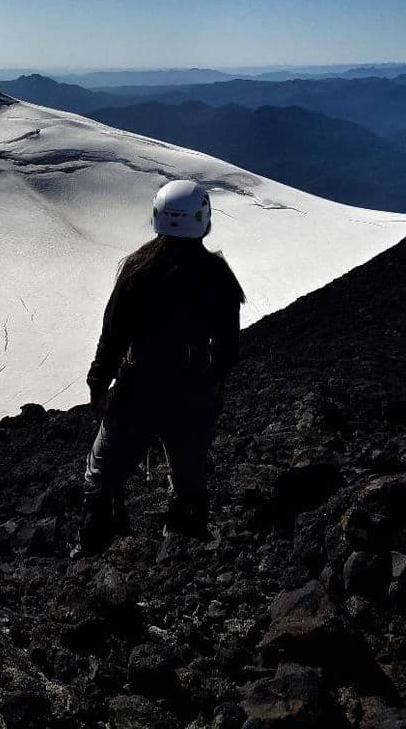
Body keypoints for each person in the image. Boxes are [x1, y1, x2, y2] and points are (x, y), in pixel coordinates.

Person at [76, 179, 244, 555]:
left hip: (138, 391)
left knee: (100, 477)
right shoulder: (217, 277)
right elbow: (229, 348)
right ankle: (184, 551)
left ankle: (90, 550)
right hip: (192, 394)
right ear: (203, 219)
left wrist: (98, 384)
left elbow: (113, 336)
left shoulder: (137, 270)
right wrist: (209, 384)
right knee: (189, 478)